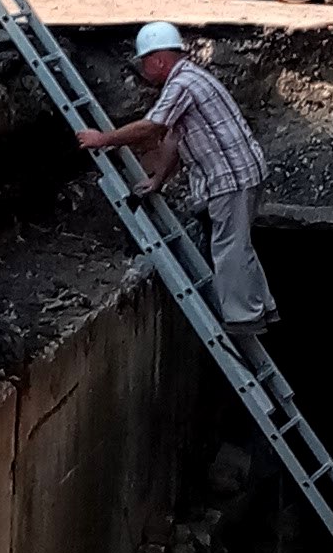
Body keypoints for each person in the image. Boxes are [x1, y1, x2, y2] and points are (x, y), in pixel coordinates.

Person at [75, 19, 278, 328]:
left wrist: (103, 139)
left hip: (231, 179)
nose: (142, 69)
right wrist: (159, 179)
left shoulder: (181, 84)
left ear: (159, 60)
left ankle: (244, 318)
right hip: (242, 174)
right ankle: (260, 308)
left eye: (144, 62)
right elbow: (173, 138)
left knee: (229, 248)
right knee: (237, 244)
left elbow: (151, 127)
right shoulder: (191, 78)